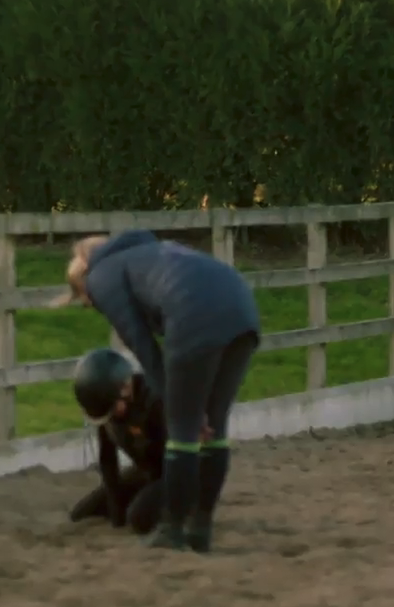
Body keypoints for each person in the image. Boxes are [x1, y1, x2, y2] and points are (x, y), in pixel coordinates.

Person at [54, 229, 260, 553]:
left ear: (84, 281)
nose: (90, 303)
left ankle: (173, 529)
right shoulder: (150, 251)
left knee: (182, 430)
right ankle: (201, 527)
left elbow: (143, 347)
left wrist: (172, 399)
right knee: (215, 427)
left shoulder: (102, 276)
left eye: (84, 299)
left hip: (192, 311)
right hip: (242, 307)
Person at [67, 347, 165, 535]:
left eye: (112, 410)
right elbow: (108, 460)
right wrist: (116, 514)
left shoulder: (155, 402)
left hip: (177, 472)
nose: (111, 417)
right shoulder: (109, 411)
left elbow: (178, 455)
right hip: (146, 471)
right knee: (81, 514)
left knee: (138, 519)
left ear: (126, 388)